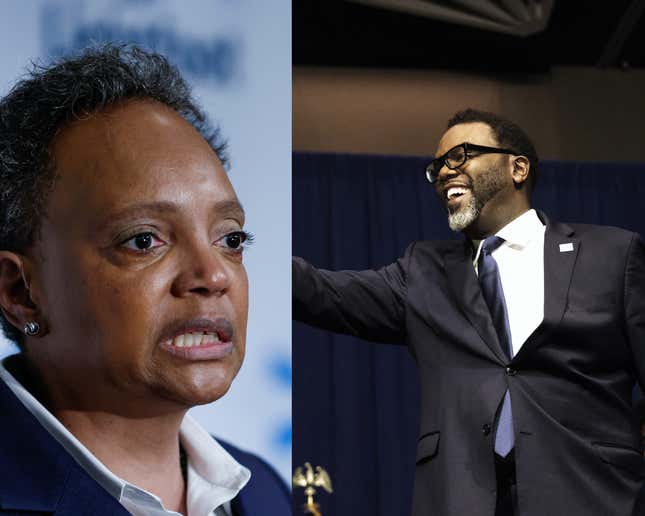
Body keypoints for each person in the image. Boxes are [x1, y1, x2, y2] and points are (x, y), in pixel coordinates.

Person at [293, 109, 645, 516]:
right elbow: (320, 291)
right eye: (438, 165)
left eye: (460, 156)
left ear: (517, 167)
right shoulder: (423, 271)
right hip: (463, 498)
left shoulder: (611, 255)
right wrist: (229, 247)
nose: (444, 172)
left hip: (593, 496)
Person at [0, 44, 290, 515]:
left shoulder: (267, 494)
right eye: (143, 241)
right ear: (21, 293)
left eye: (231, 239)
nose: (213, 275)